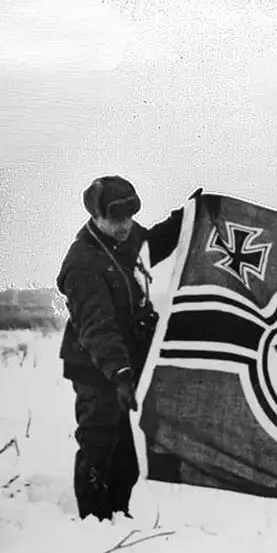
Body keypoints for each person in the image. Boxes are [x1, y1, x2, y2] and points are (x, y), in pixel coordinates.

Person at [57, 175, 190, 521]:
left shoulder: (126, 237)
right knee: (100, 441)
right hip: (96, 367)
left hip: (127, 361)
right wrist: (119, 373)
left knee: (129, 449)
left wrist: (183, 219)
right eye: (116, 219)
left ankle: (118, 512)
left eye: (130, 217)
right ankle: (94, 521)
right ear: (96, 215)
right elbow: (97, 328)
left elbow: (151, 246)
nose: (125, 226)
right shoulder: (83, 262)